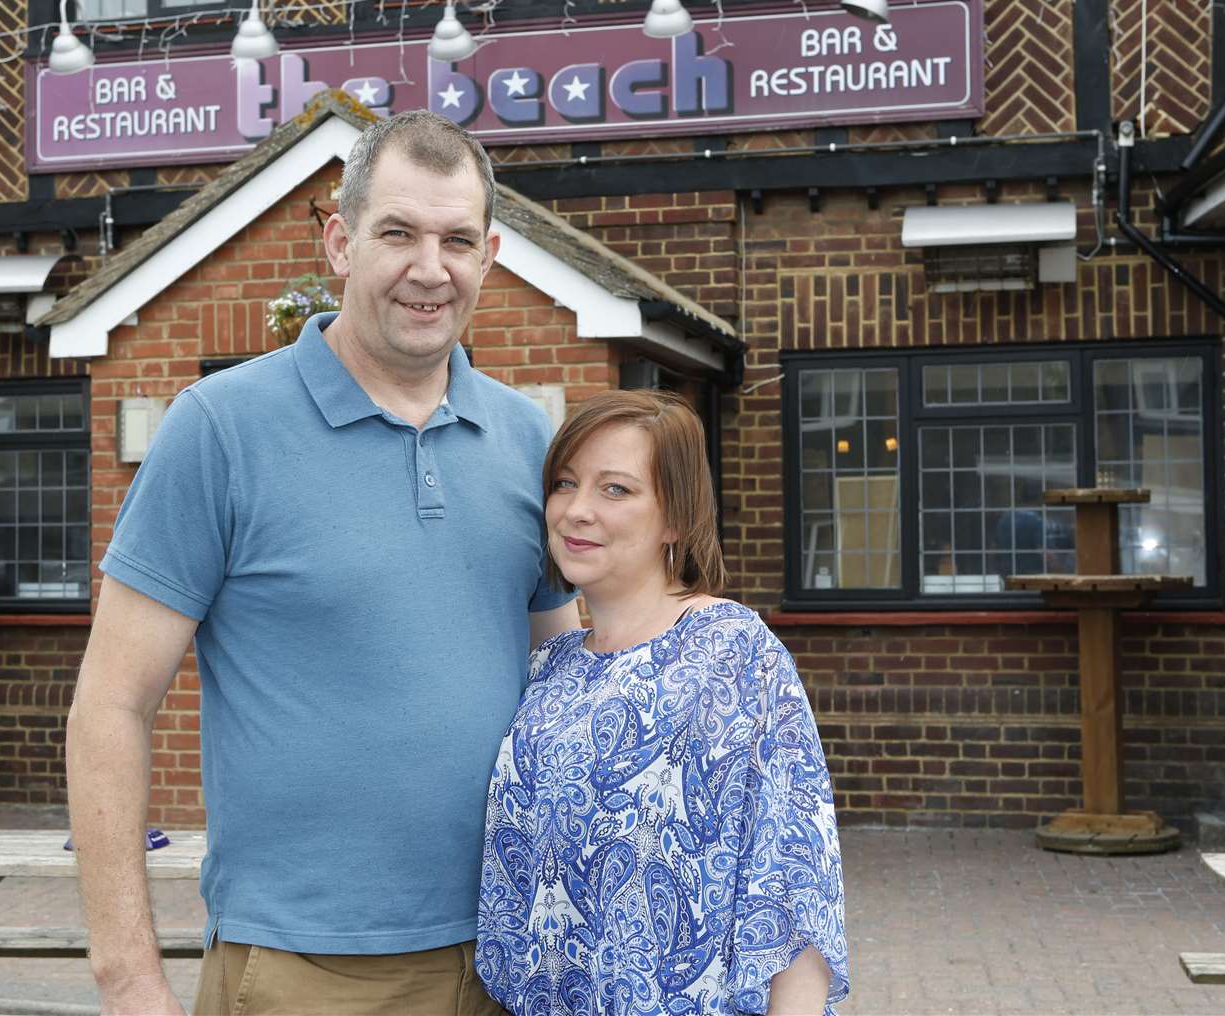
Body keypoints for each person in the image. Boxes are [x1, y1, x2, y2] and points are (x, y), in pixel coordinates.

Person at [66, 109, 581, 1016]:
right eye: (399, 234)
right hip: (305, 972)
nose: (431, 269)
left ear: (490, 255)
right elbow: (111, 704)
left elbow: (567, 687)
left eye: (458, 239)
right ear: (341, 244)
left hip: (513, 956)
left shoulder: (527, 440)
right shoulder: (220, 429)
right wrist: (129, 978)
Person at [477, 390, 849, 1016]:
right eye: (565, 484)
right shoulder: (551, 670)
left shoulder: (731, 653)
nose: (577, 511)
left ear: (675, 517)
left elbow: (795, 878)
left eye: (615, 489)